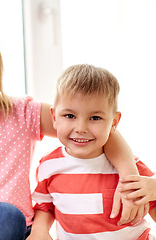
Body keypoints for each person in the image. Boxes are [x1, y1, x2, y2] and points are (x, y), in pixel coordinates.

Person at [0, 11, 144, 240]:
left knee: (9, 218)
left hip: (18, 230)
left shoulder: (22, 113)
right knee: (3, 215)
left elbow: (93, 127)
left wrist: (129, 179)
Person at [30, 64, 156, 239]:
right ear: (54, 117)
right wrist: (39, 231)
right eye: (70, 116)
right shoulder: (48, 166)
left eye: (95, 118)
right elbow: (45, 206)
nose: (81, 128)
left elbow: (150, 197)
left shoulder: (129, 168)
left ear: (114, 122)